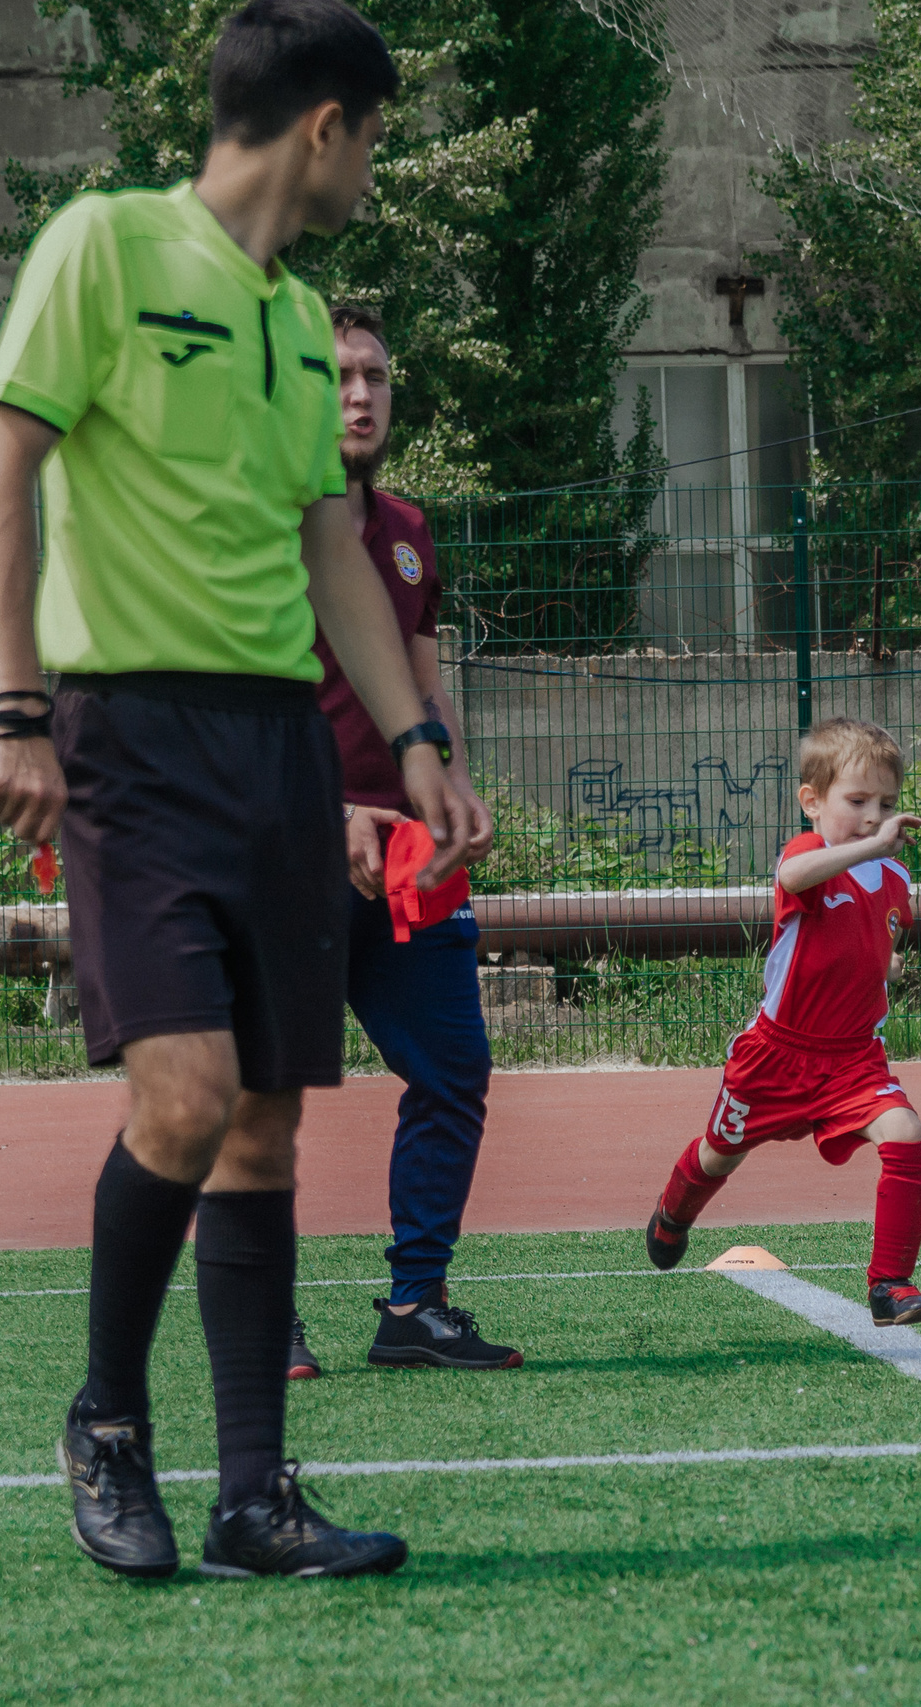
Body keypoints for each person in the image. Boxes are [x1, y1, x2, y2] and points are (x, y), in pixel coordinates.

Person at [0, 0, 473, 1581]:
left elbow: (332, 545)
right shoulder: (105, 248)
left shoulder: (303, 318)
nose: (373, 170)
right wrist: (15, 713)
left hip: (277, 755)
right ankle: (109, 1421)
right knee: (178, 1094)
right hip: (128, 736)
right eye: (375, 138)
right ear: (326, 125)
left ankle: (255, 1492)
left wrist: (413, 740)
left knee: (260, 1122)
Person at [281, 304, 519, 1381]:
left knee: (455, 1069)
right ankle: (264, 1320)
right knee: (263, 1094)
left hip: (408, 861)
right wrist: (317, 812)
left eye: (375, 375)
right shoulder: (262, 524)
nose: (361, 394)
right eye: (339, 377)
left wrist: (455, 791)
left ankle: (413, 1307)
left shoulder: (412, 535)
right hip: (286, 851)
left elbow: (425, 685)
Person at [644, 717, 921, 1324]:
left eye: (885, 804)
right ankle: (674, 1213)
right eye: (857, 801)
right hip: (775, 1056)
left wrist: (888, 968)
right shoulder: (809, 853)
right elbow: (792, 879)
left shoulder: (895, 875)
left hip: (854, 1058)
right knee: (719, 1155)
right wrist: (870, 844)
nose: (873, 815)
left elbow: (874, 940)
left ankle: (891, 1285)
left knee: (907, 1135)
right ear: (812, 802)